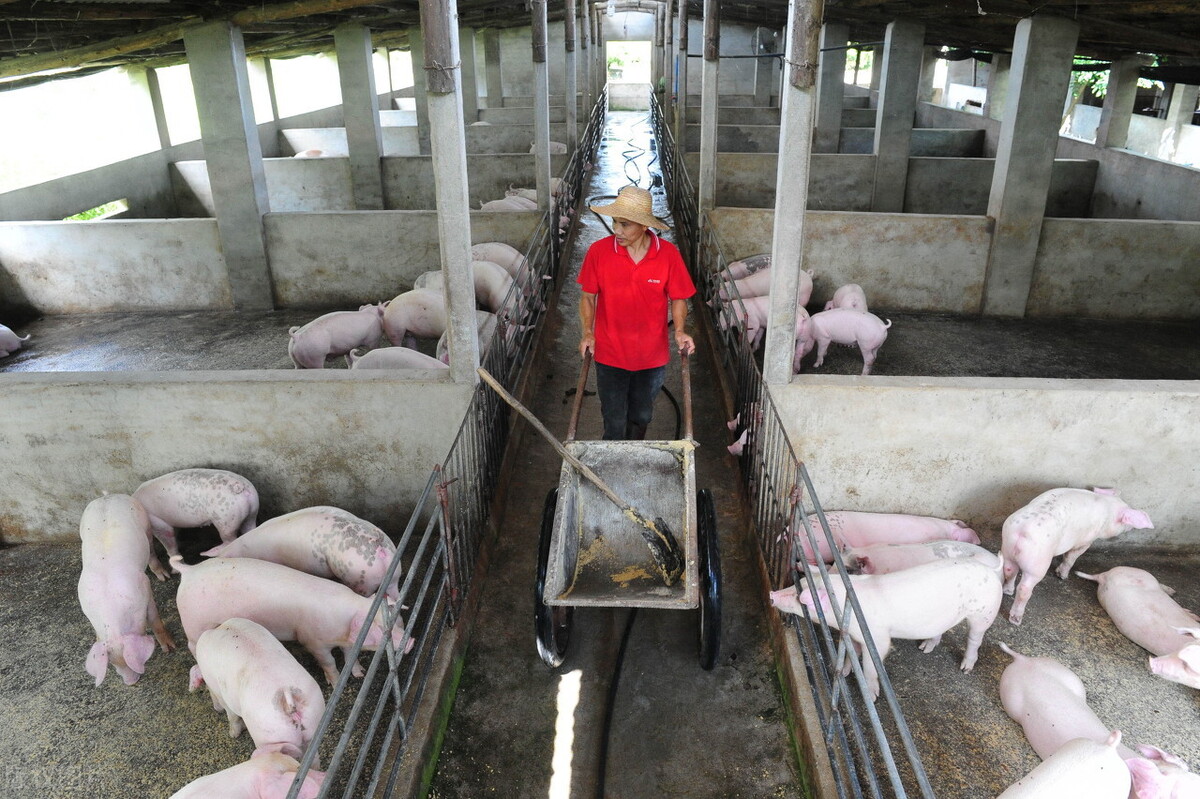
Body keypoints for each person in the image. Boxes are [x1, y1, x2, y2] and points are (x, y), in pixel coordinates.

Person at [577, 185, 696, 440]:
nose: (616, 230)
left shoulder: (668, 255)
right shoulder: (599, 252)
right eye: (614, 222)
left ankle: (633, 455)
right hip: (609, 353)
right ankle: (611, 468)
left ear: (644, 226)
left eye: (625, 224)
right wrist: (588, 333)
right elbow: (588, 296)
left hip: (651, 356)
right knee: (614, 419)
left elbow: (679, 298)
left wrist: (680, 331)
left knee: (642, 415)